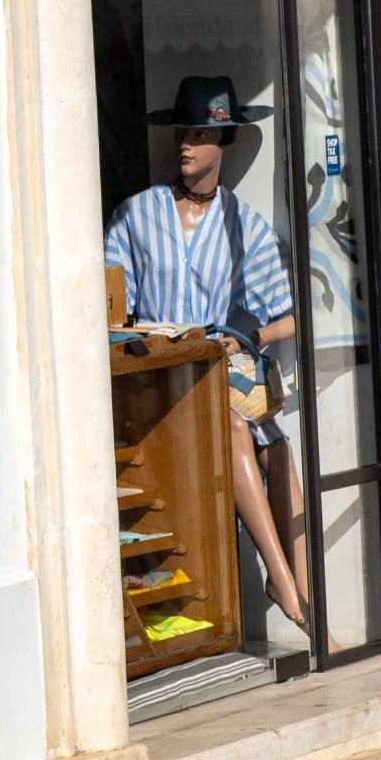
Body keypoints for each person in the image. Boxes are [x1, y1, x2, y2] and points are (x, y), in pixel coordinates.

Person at [104, 74, 308, 629]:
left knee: (279, 449)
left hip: (217, 370)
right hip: (156, 378)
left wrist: (250, 337)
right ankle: (283, 582)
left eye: (199, 134)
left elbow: (292, 317)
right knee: (237, 428)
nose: (186, 145)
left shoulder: (244, 225)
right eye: (182, 133)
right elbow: (106, 301)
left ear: (224, 143)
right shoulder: (137, 214)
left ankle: (308, 599)